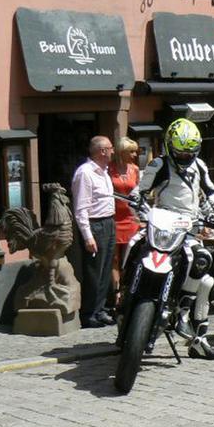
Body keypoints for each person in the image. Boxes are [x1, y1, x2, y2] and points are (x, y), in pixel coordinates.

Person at [137, 118, 214, 359]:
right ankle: (126, 291)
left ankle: (185, 313)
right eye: (180, 153)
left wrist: (212, 211)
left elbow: (212, 193)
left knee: (203, 261)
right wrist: (141, 209)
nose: (185, 157)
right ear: (169, 146)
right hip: (160, 221)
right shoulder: (158, 165)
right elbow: (139, 192)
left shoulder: (200, 167)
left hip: (188, 226)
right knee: (135, 246)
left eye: (190, 153)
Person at [72, 136, 116, 328]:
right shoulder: (85, 173)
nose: (113, 151)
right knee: (93, 271)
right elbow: (81, 209)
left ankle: (100, 310)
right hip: (95, 224)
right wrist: (88, 236)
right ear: (102, 151)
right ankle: (89, 313)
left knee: (105, 268)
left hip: (108, 222)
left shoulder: (104, 172)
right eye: (110, 148)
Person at [109, 137, 141, 297]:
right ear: (122, 153)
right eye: (131, 151)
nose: (135, 154)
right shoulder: (109, 169)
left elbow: (140, 194)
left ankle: (128, 290)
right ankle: (116, 293)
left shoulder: (134, 169)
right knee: (114, 259)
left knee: (129, 258)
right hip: (114, 218)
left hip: (131, 218)